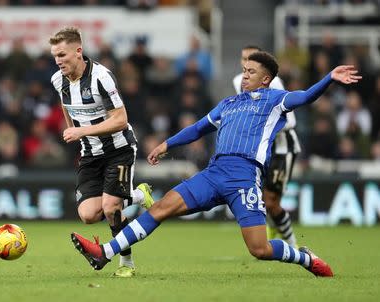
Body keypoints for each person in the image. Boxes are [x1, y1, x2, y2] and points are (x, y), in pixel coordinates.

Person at [71, 51, 361, 277]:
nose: (244, 76)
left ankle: (305, 257)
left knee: (259, 249)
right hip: (214, 172)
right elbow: (197, 128)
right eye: (244, 70)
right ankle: (104, 252)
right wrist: (166, 144)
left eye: (251, 72)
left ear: (265, 79)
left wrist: (329, 78)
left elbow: (306, 96)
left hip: (244, 178)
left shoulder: (276, 100)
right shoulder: (229, 103)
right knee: (160, 207)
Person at [49, 27, 155, 278]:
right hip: (91, 154)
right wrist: (72, 129)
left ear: (78, 51)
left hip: (119, 149)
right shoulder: (58, 80)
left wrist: (82, 132)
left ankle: (126, 262)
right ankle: (138, 196)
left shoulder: (101, 77)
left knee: (111, 207)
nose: (58, 61)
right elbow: (67, 107)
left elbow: (120, 120)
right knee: (88, 215)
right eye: (55, 55)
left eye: (62, 54)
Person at [233, 46, 301, 246]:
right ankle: (272, 230)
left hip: (282, 148)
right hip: (262, 151)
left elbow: (291, 122)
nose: (247, 64)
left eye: (251, 60)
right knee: (261, 200)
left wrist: (262, 125)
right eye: (244, 58)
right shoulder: (238, 81)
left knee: (271, 201)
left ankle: (293, 244)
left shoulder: (274, 82)